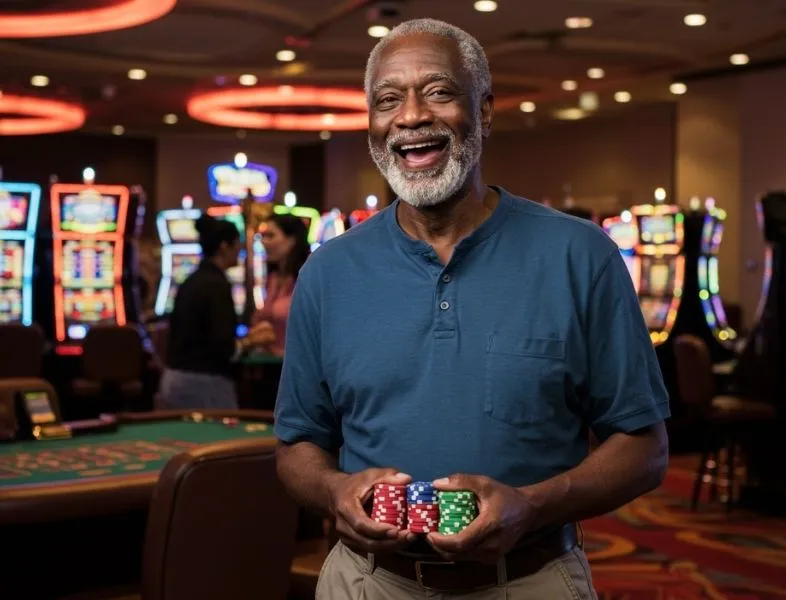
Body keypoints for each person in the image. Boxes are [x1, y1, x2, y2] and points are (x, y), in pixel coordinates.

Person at [274, 18, 669, 599]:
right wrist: (333, 491)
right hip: (367, 583)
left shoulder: (580, 254)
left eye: (438, 92)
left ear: (483, 111)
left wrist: (531, 506)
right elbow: (297, 446)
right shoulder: (328, 271)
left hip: (529, 580)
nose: (410, 116)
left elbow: (646, 448)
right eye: (388, 100)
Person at [160, 214, 274, 409]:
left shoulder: (193, 279)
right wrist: (251, 341)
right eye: (236, 244)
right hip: (203, 384)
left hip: (175, 379)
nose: (240, 250)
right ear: (224, 246)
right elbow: (223, 348)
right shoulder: (216, 285)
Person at [251, 213, 311, 357]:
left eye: (270, 236)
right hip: (271, 365)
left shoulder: (308, 276)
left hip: (299, 367)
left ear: (292, 240)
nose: (264, 242)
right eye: (263, 236)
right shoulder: (273, 278)